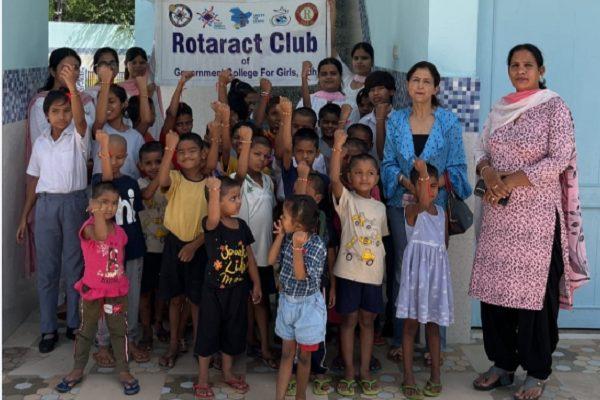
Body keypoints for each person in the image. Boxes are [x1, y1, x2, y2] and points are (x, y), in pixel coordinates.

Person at [470, 43, 589, 400]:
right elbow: (481, 149)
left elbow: (560, 158)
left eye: (527, 65)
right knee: (496, 296)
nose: (520, 70)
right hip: (498, 217)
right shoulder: (500, 108)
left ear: (540, 68)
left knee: (534, 300)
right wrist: (489, 174)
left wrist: (509, 181)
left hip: (537, 222)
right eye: (514, 65)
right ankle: (502, 364)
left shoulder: (554, 106)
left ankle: (537, 370)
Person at [381, 61, 471, 364]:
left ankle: (436, 347)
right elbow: (388, 163)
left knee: (435, 271)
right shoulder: (395, 120)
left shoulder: (447, 121)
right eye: (415, 80)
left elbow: (458, 167)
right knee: (401, 271)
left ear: (436, 87)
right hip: (402, 204)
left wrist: (431, 186)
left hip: (437, 206)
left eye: (426, 81)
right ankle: (399, 339)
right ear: (408, 86)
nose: (420, 86)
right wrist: (408, 182)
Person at [16, 77, 89, 353]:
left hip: (73, 204)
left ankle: (73, 323)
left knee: (74, 267)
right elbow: (33, 180)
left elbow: (81, 123)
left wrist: (72, 87)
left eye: (66, 110)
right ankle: (48, 328)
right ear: (46, 115)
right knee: (47, 270)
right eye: (56, 111)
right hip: (45, 206)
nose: (62, 116)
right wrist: (25, 215)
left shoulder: (78, 137)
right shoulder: (42, 143)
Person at [55, 182, 140, 396]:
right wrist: (97, 212)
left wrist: (99, 208)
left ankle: (123, 371)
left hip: (115, 293)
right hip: (92, 291)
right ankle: (77, 369)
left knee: (118, 331)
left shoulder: (120, 232)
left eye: (113, 203)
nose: (109, 207)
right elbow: (100, 236)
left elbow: (113, 243)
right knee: (86, 331)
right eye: (104, 202)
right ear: (93, 204)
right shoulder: (88, 228)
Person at [330, 130, 389, 396]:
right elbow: (332, 178)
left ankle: (364, 371)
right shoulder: (347, 201)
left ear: (377, 178)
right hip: (348, 273)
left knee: (368, 323)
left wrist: (382, 274)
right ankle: (349, 371)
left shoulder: (380, 208)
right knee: (348, 321)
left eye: (370, 173)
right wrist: (338, 148)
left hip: (373, 277)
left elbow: (380, 242)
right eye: (358, 172)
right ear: (349, 177)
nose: (364, 177)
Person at [193, 176, 262, 398]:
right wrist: (214, 190)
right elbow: (213, 217)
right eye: (233, 198)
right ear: (217, 201)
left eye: (239, 197)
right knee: (208, 331)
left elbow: (249, 257)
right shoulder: (212, 225)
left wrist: (256, 283)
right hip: (213, 290)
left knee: (233, 331)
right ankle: (203, 379)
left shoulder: (241, 226)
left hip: (237, 290)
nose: (239, 202)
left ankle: (228, 372)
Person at [397, 160, 452, 399]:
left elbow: (444, 246)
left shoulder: (442, 213)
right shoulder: (411, 210)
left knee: (433, 326)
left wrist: (438, 275)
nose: (430, 191)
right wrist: (421, 173)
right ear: (413, 188)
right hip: (415, 278)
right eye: (424, 185)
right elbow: (423, 203)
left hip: (436, 279)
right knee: (410, 327)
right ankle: (408, 376)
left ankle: (435, 375)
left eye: (434, 187)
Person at [93, 131, 150, 364]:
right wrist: (104, 145)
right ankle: (104, 343)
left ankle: (130, 338)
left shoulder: (130, 183)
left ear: (126, 157)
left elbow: (135, 214)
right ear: (101, 156)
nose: (114, 162)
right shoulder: (98, 182)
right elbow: (108, 185)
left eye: (119, 157)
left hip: (133, 249)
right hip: (109, 254)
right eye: (108, 156)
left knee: (132, 298)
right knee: (108, 299)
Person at [157, 131, 212, 368]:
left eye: (192, 151)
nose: (186, 155)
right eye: (182, 151)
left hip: (199, 246)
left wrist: (194, 245)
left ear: (203, 155)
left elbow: (213, 222)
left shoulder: (211, 185)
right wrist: (169, 148)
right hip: (174, 244)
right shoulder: (175, 178)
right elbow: (162, 182)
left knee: (197, 300)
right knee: (176, 298)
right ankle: (173, 343)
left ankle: (201, 347)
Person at [269, 195, 327, 400]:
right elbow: (270, 259)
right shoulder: (287, 236)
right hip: (287, 303)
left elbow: (301, 276)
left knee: (304, 357)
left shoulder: (317, 245)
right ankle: (280, 397)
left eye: (284, 217)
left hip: (308, 308)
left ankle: (300, 396)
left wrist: (296, 249)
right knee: (286, 354)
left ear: (299, 224)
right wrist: (279, 236)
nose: (281, 219)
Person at [232, 133, 278, 369]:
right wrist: (246, 141)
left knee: (260, 302)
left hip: (264, 253)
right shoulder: (236, 180)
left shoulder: (269, 182)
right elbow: (240, 175)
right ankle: (245, 340)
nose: (261, 160)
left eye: (265, 156)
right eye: (255, 154)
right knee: (243, 300)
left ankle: (264, 345)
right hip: (242, 253)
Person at [137, 141, 169, 350]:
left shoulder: (169, 184)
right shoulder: (138, 184)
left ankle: (158, 323)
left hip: (166, 246)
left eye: (159, 162)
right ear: (140, 166)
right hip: (146, 248)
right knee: (145, 291)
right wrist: (166, 164)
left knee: (161, 290)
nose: (154, 167)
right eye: (148, 163)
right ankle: (146, 328)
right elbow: (148, 194)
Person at [91, 64, 145, 180]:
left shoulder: (136, 137)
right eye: (102, 102)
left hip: (127, 192)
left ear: (124, 104)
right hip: (103, 192)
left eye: (111, 101)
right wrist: (105, 82)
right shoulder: (99, 130)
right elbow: (100, 118)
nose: (106, 106)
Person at [120, 47, 165, 140]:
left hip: (155, 134)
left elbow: (157, 52)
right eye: (134, 62)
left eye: (142, 62)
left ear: (147, 64)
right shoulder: (120, 89)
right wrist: (147, 93)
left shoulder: (150, 80)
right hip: (133, 136)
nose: (138, 66)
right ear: (125, 64)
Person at [358, 70, 396, 159]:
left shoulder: (401, 120)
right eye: (371, 90)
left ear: (392, 91)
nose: (375, 93)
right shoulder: (364, 122)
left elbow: (385, 155)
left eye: (380, 88)